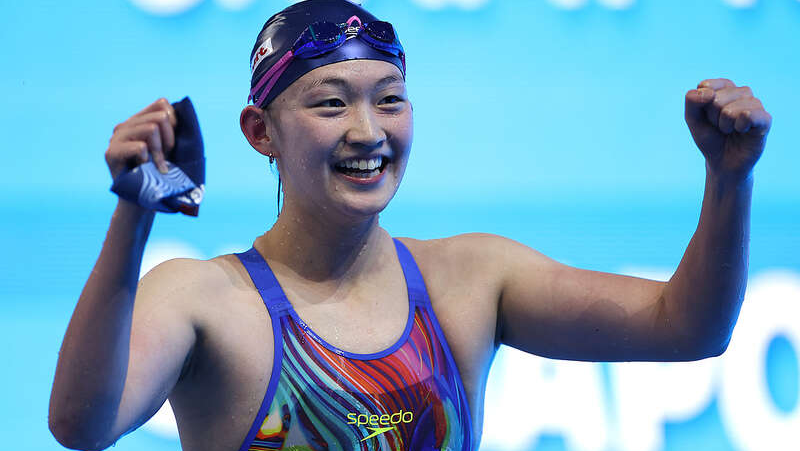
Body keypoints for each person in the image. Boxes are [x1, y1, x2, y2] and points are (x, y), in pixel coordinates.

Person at [47, 0, 773, 450]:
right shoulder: (204, 300)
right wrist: (133, 217)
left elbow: (688, 327)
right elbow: (80, 425)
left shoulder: (471, 279)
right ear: (260, 131)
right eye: (331, 103)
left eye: (389, 99)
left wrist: (729, 178)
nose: (369, 131)